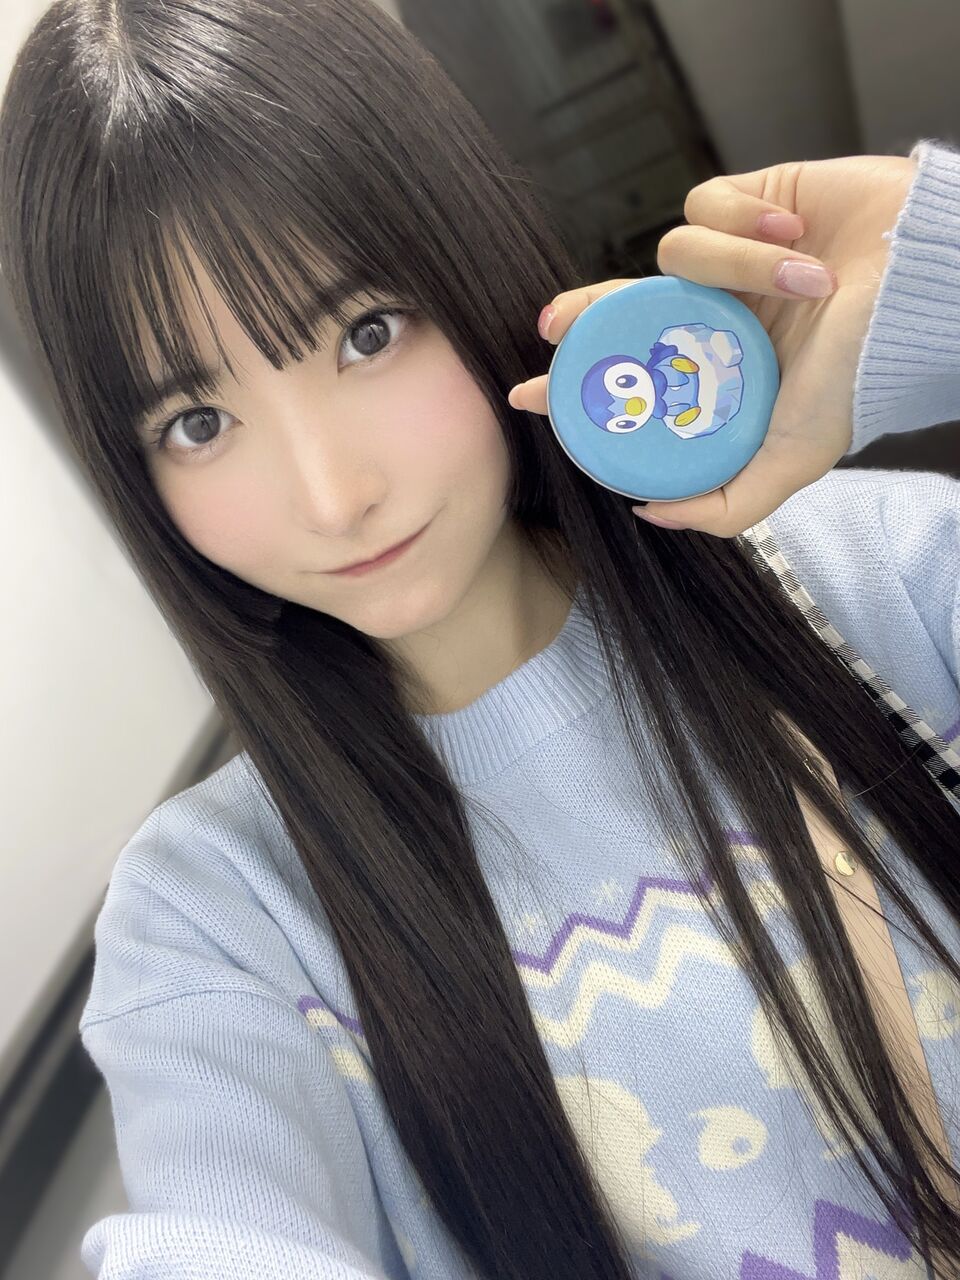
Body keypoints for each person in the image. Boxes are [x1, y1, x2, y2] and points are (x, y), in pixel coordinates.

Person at [0, 1, 956, 1277]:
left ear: (464, 257)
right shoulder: (218, 914)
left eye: (365, 333)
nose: (333, 496)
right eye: (196, 420)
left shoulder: (882, 575)